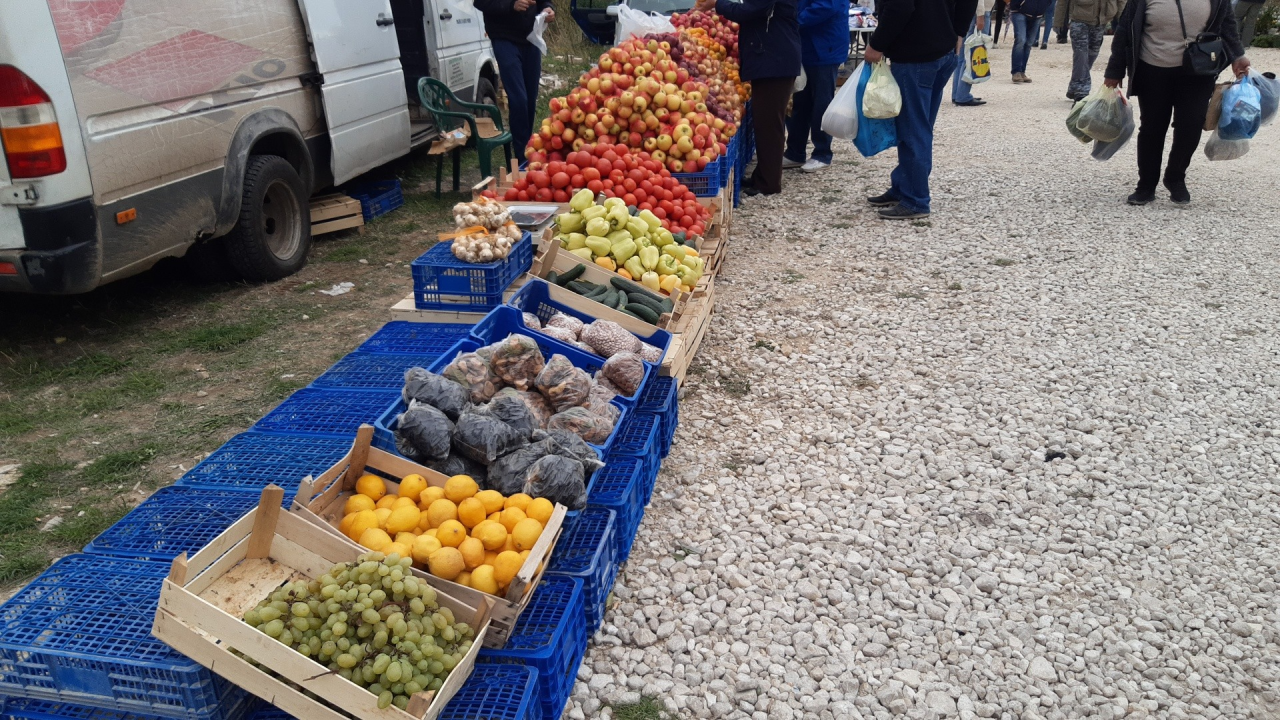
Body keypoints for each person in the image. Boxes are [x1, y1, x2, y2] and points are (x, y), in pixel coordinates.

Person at [1102, 0, 1250, 205]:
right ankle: (1146, 184)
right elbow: (1125, 30)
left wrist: (1238, 56)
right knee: (1152, 128)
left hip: (1198, 70)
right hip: (1152, 70)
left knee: (1191, 126)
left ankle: (1175, 177)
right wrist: (1114, 71)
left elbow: (1227, 26)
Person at [864, 0, 979, 219]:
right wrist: (958, 31)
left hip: (915, 56)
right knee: (919, 126)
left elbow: (900, 7)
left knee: (914, 130)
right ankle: (904, 186)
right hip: (941, 50)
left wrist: (876, 45)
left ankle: (915, 199)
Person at [695, 0, 800, 196]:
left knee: (769, 124)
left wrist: (718, 4)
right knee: (765, 122)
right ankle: (763, 176)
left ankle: (768, 184)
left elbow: (751, 10)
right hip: (772, 59)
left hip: (774, 61)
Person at [474, 0, 555, 155]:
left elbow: (545, 1)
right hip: (504, 39)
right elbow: (480, 3)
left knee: (530, 98)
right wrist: (511, 5)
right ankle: (521, 155)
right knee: (519, 99)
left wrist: (548, 8)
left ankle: (528, 148)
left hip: (531, 39)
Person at [782, 0, 849, 172]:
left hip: (825, 46)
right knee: (799, 102)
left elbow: (826, 6)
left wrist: (792, 20)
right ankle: (795, 152)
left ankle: (822, 153)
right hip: (803, 46)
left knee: (822, 103)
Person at [1055, 0, 1121, 100]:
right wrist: (1058, 21)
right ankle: (1082, 91)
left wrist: (1123, 21)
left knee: (1093, 53)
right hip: (1080, 19)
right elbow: (1062, 2)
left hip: (1101, 20)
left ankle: (1075, 85)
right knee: (1081, 55)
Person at [951, 0, 996, 106]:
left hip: (970, 11)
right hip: (979, 12)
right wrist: (980, 15)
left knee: (962, 56)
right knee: (972, 54)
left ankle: (957, 93)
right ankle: (962, 94)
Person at [1008, 0, 1052, 83]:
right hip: (1019, 11)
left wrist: (1044, 5)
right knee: (1021, 40)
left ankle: (1022, 71)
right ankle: (1016, 71)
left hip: (1037, 14)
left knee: (1028, 43)